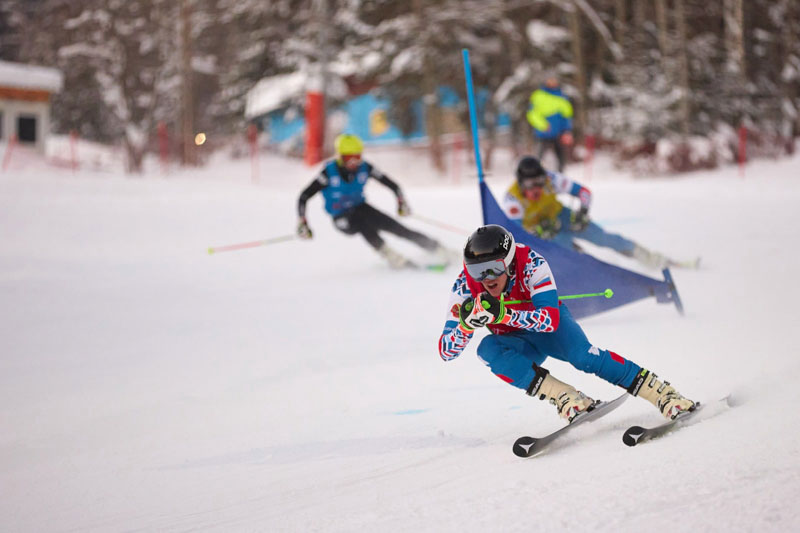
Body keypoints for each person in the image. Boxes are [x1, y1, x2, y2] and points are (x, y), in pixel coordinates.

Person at [438, 224, 695, 422]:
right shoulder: (465, 286)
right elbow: (446, 352)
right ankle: (566, 397)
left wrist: (504, 316)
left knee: (583, 357)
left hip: (549, 331)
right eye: (476, 271)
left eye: (493, 268)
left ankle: (663, 394)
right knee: (487, 350)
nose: (485, 279)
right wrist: (465, 326)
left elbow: (549, 321)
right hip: (517, 342)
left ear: (508, 262)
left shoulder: (532, 264)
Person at [296, 133, 448, 268]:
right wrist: (302, 221)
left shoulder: (365, 168)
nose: (354, 162)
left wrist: (401, 202)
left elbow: (393, 185)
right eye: (349, 158)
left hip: (360, 207)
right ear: (341, 157)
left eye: (357, 157)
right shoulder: (328, 173)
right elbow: (304, 196)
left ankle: (435, 247)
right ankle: (389, 254)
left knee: (394, 226)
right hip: (341, 217)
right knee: (363, 224)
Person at [503, 155, 680, 269]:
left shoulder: (552, 179)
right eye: (529, 185)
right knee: (567, 251)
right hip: (540, 232)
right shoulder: (513, 199)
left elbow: (584, 192)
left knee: (602, 237)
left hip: (561, 216)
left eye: (539, 182)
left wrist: (582, 212)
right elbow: (516, 234)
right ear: (520, 183)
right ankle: (591, 269)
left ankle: (651, 259)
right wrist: (537, 233)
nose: (536, 189)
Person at [526, 76, 574, 172]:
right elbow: (532, 114)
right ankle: (535, 175)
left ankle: (560, 177)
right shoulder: (538, 95)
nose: (552, 83)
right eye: (550, 81)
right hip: (543, 133)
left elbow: (567, 116)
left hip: (559, 134)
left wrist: (567, 131)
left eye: (554, 81)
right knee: (539, 158)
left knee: (561, 159)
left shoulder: (562, 96)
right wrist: (543, 125)